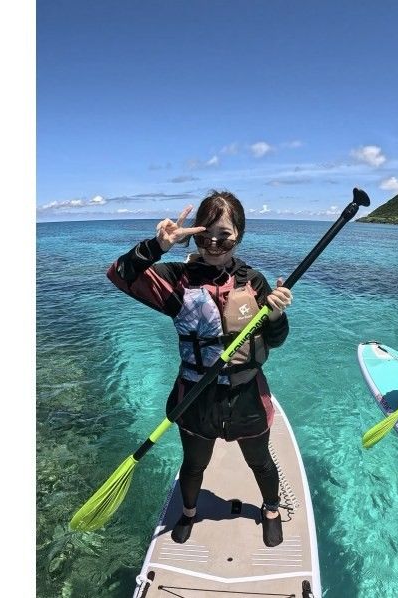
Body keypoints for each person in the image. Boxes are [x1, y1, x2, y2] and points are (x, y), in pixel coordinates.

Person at [106, 190, 293, 548]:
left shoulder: (253, 282)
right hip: (195, 396)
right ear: (194, 231)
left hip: (247, 396)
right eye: (206, 231)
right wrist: (157, 246)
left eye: (225, 233)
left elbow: (276, 339)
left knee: (261, 462)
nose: (214, 241)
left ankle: (270, 509)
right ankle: (189, 511)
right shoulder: (176, 279)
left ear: (239, 234)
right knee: (193, 465)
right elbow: (119, 274)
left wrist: (278, 315)